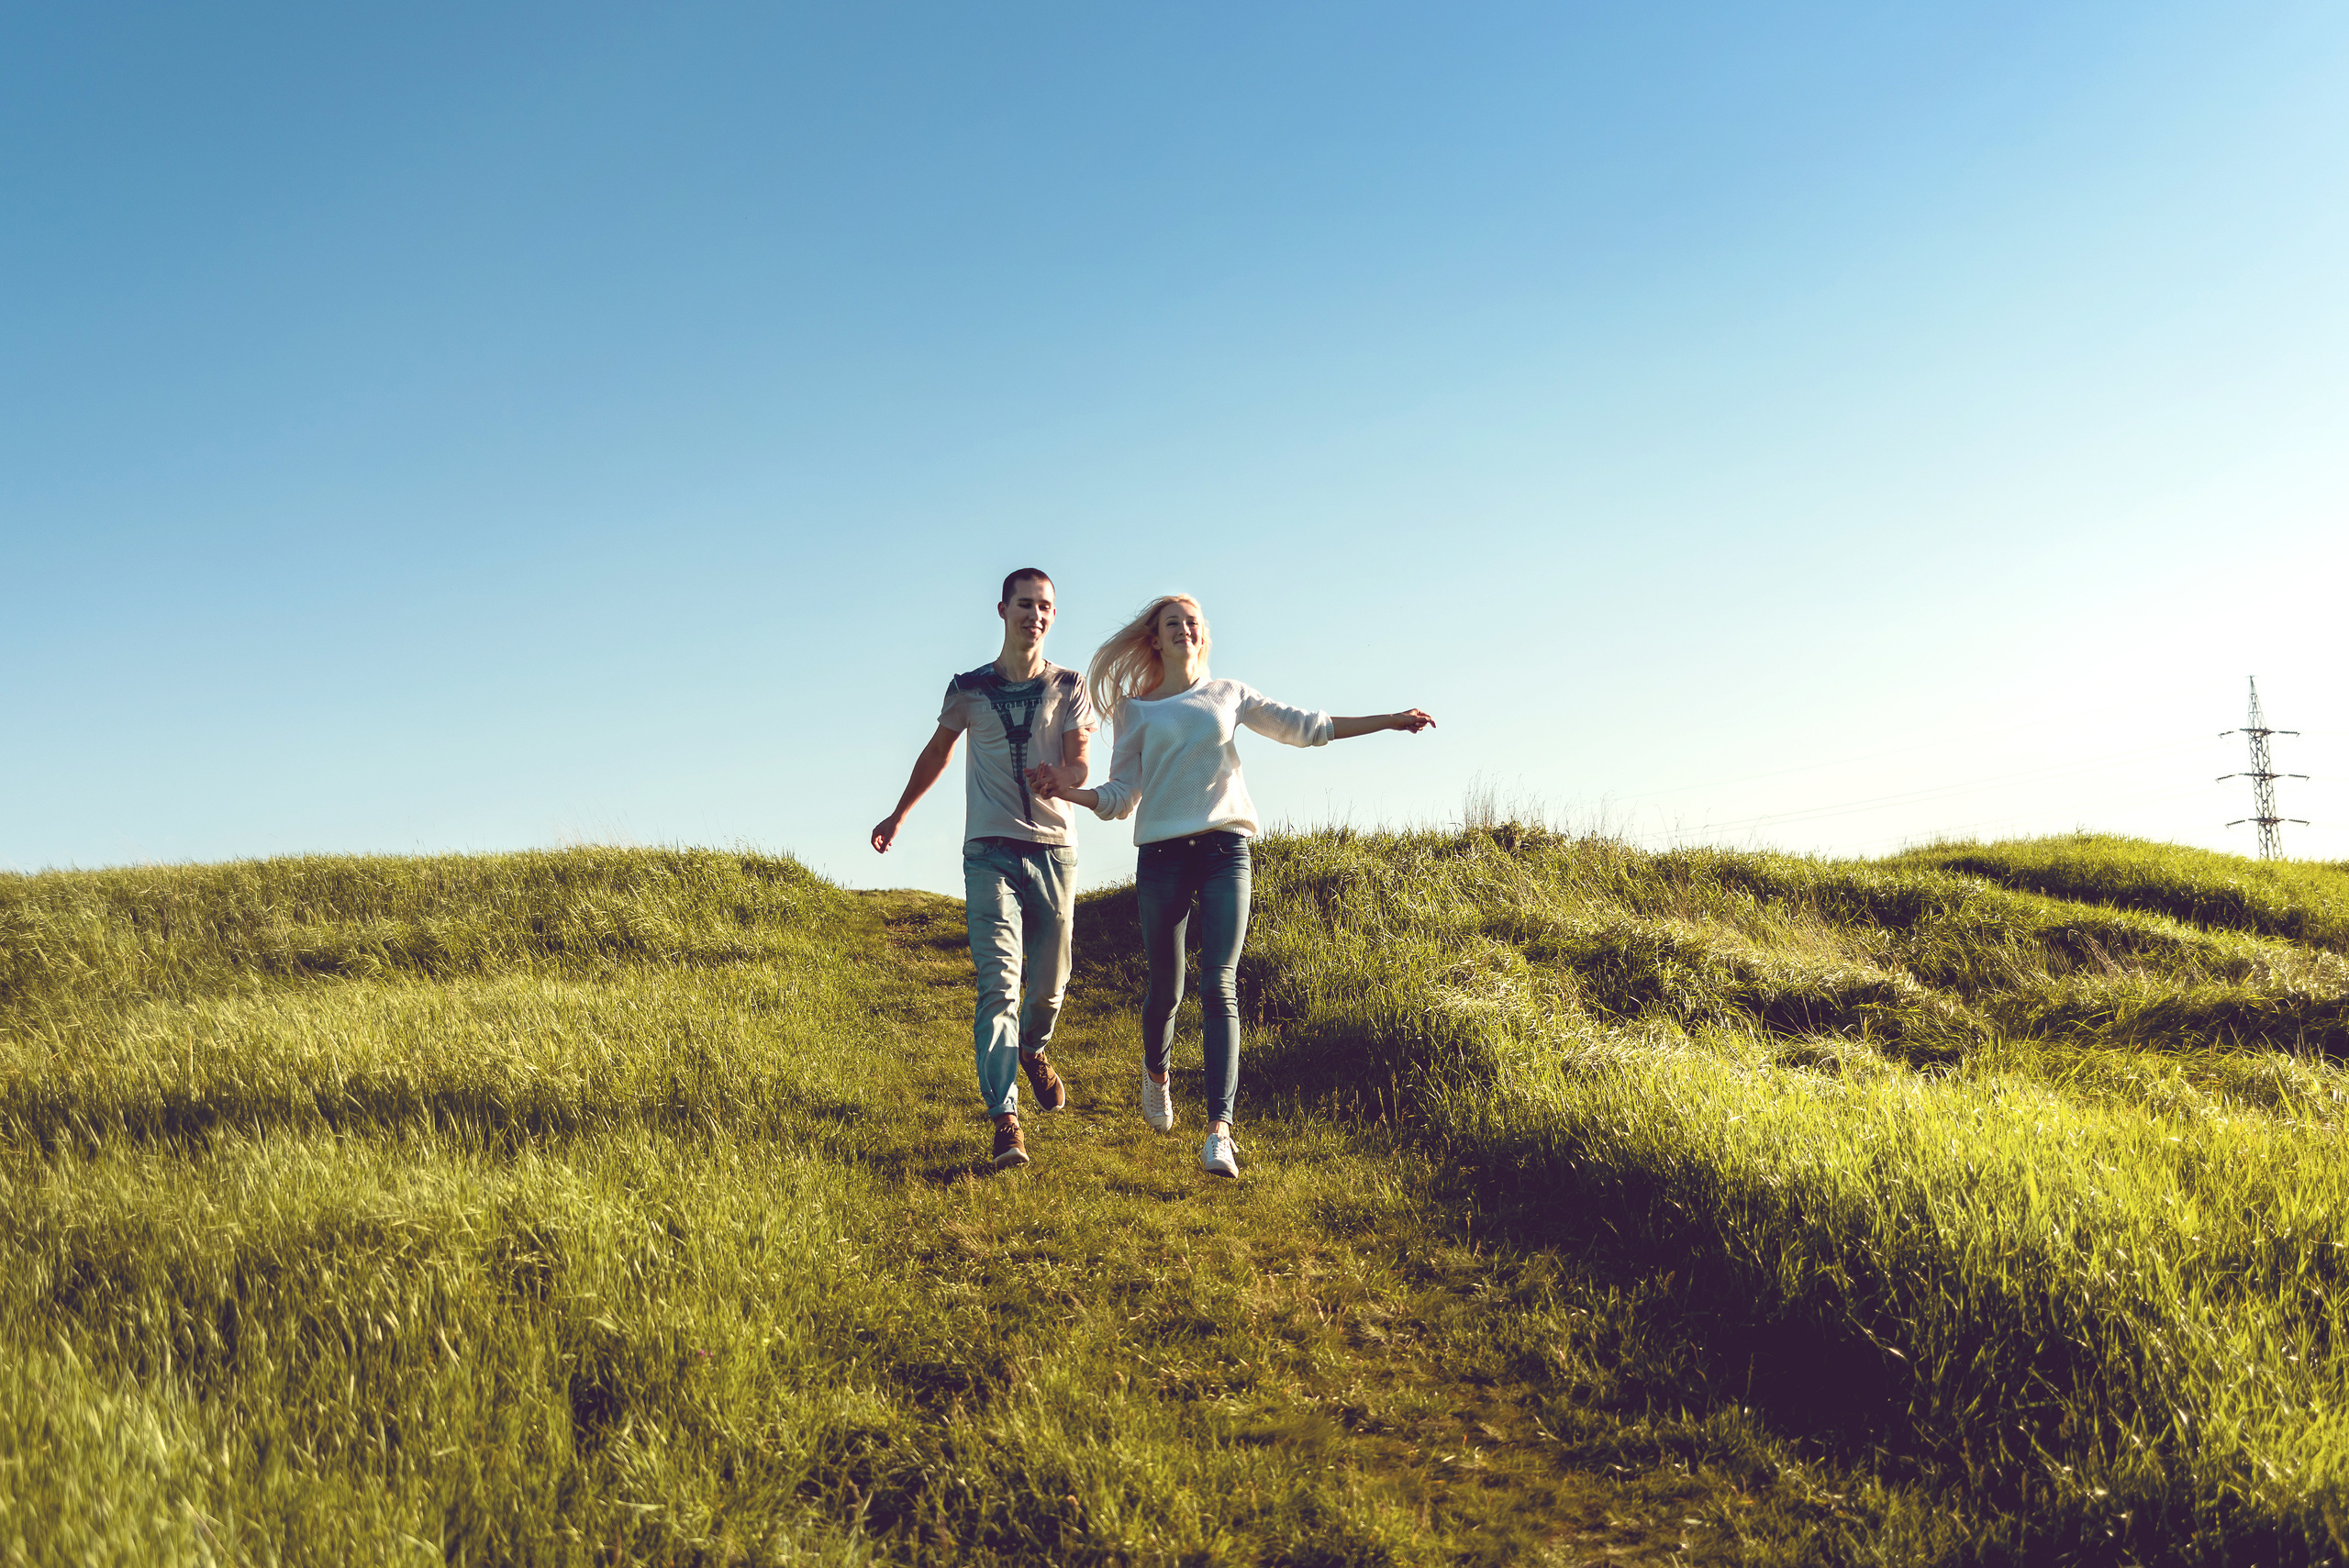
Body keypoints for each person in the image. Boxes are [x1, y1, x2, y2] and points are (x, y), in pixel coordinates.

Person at [1031, 594, 1431, 1178]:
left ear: (1202, 635)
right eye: (1174, 624)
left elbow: (1306, 727)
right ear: (1156, 639)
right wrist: (1071, 793)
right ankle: (1156, 1071)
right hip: (1163, 855)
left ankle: (1220, 1130)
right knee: (1166, 986)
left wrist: (1388, 720)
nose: (1185, 630)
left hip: (1226, 849)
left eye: (1193, 622)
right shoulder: (1136, 712)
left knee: (1219, 983)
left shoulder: (1229, 694)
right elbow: (1121, 796)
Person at [873, 569, 1097, 1171]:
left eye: (1046, 605)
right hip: (989, 852)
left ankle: (1033, 1046)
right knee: (999, 981)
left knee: (1050, 983)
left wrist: (1063, 780)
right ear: (1002, 609)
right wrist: (898, 815)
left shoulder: (1072, 685)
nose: (1036, 614)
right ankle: (1005, 1119)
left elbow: (1079, 763)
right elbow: (937, 753)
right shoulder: (968, 688)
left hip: (1055, 849)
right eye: (1026, 604)